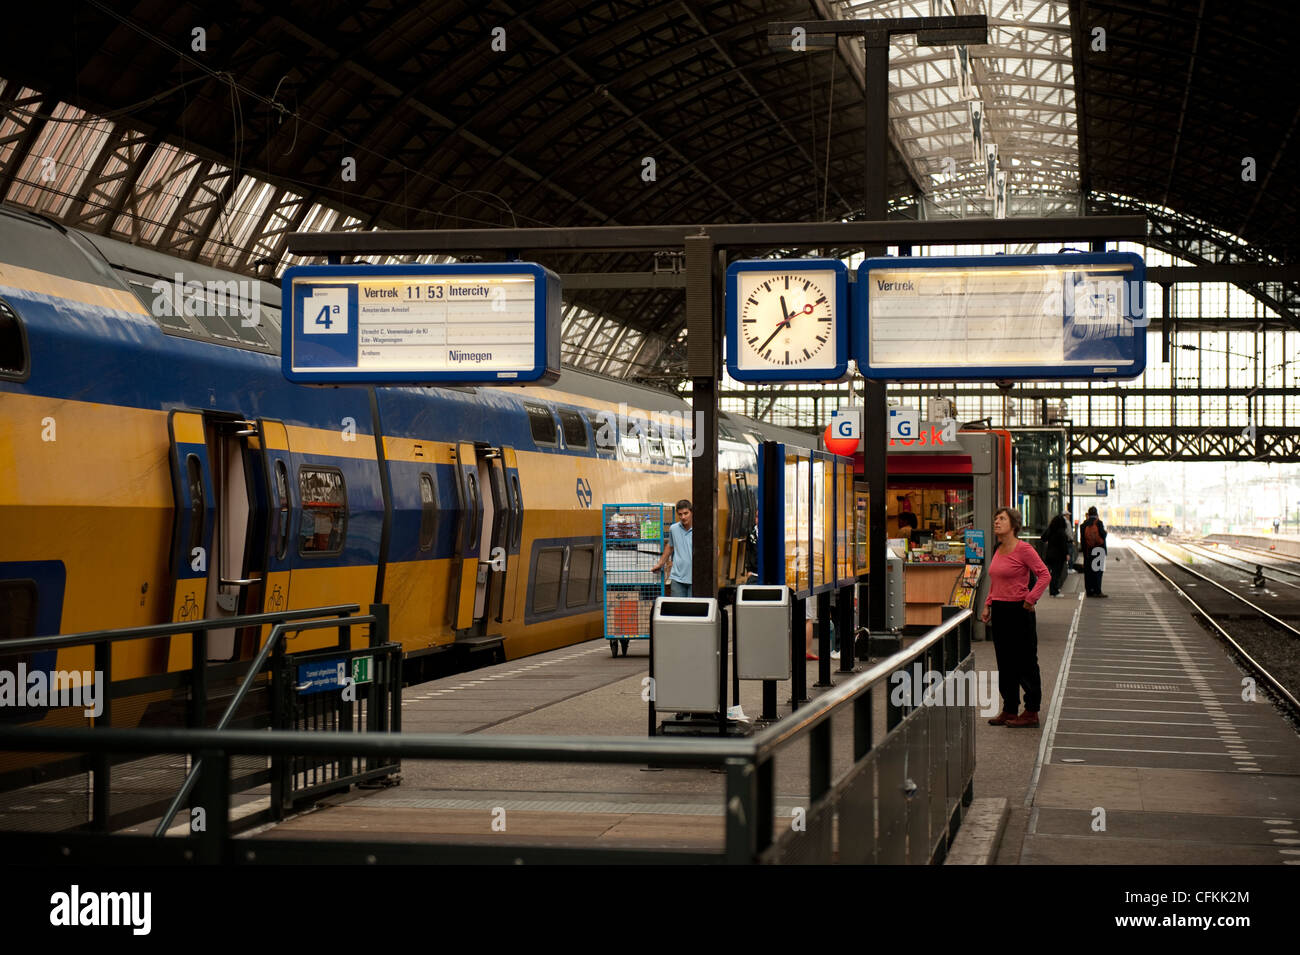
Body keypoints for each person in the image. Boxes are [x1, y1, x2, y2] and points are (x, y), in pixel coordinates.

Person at [982, 507, 1049, 729]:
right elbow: (996, 581)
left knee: (1025, 661)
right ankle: (1010, 708)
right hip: (1000, 610)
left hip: (1020, 611)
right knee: (1005, 662)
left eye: (1002, 519)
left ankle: (1031, 711)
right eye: (996, 518)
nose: (997, 522)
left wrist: (1031, 599)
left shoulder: (1024, 549)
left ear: (1014, 525)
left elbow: (1044, 575)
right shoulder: (997, 548)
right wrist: (988, 604)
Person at [652, 500, 694, 597]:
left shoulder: (701, 529)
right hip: (677, 578)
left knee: (693, 610)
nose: (683, 517)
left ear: (692, 512)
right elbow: (670, 546)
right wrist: (660, 563)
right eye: (680, 514)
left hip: (696, 579)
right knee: (678, 609)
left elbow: (715, 550)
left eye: (686, 513)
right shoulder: (673, 529)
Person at [1040, 513, 1072, 597]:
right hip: (1059, 556)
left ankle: (1052, 590)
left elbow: (1043, 537)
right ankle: (1055, 591)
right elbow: (1063, 545)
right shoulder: (1061, 532)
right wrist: (1067, 554)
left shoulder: (1050, 530)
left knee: (1052, 573)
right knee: (1056, 574)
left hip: (1050, 555)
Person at [1080, 506, 1108, 597]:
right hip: (1099, 550)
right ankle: (1097, 591)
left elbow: (1083, 540)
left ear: (1088, 514)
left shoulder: (1083, 525)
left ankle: (1089, 591)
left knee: (1088, 572)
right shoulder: (1099, 523)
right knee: (1098, 571)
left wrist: (1085, 552)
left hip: (1088, 551)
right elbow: (1103, 535)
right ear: (1096, 514)